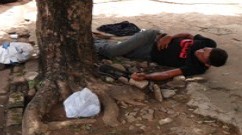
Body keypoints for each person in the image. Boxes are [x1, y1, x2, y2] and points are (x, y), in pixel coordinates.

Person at [95, 29, 228, 82]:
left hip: (148, 53)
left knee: (120, 50)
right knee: (112, 52)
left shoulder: (196, 67)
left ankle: (94, 42)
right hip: (154, 36)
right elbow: (188, 35)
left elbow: (168, 74)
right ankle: (89, 42)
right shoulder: (210, 42)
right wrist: (170, 37)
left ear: (207, 63)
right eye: (205, 49)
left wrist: (146, 76)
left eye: (202, 54)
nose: (199, 50)